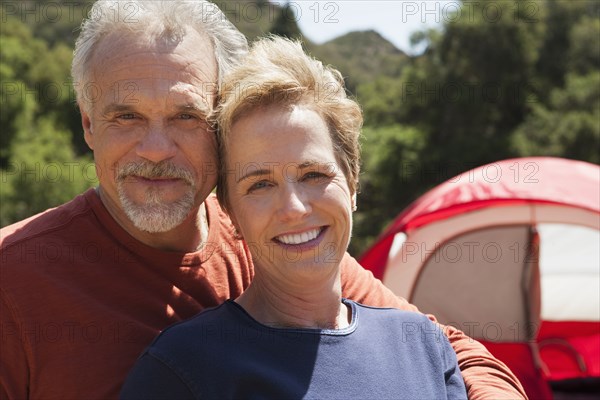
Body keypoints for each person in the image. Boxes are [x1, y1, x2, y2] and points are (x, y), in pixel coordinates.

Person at [0, 1, 526, 399]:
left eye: (187, 116)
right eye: (126, 116)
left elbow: (448, 352)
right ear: (89, 124)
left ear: (222, 129)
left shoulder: (275, 236)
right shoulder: (14, 281)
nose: (156, 148)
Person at [120, 36, 469, 399]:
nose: (294, 208)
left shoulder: (424, 346)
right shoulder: (183, 369)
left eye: (313, 175)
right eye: (260, 185)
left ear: (351, 184)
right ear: (232, 213)